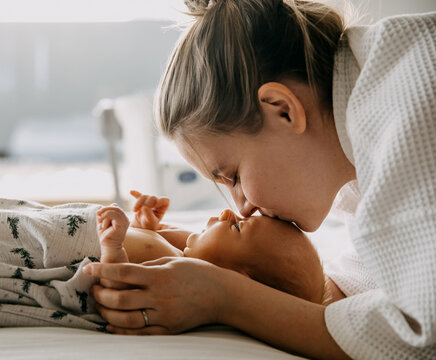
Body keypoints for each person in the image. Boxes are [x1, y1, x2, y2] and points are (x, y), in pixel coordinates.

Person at [82, 1, 436, 359]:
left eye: (233, 176)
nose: (241, 207)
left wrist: (224, 296)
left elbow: (416, 339)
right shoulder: (364, 124)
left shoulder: (411, 109)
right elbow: (349, 295)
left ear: (283, 110)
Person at [98, 190, 336, 305]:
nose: (228, 212)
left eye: (238, 228)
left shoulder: (173, 275)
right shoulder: (189, 252)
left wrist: (112, 248)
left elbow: (118, 289)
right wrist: (148, 227)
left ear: (237, 279)